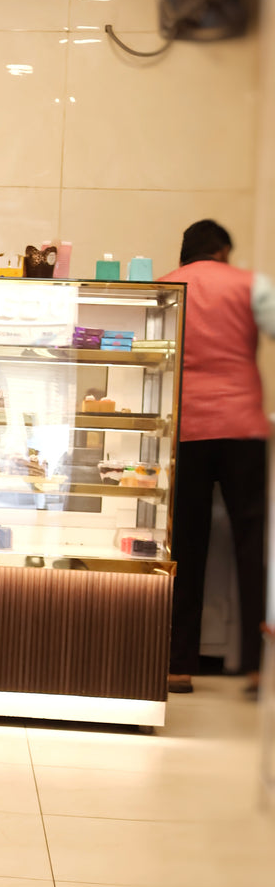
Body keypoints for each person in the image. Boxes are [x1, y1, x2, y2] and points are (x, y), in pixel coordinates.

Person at [160, 219, 275, 695]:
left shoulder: (166, 285)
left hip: (187, 429)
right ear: (224, 250)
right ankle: (255, 665)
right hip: (244, 428)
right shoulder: (252, 285)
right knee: (252, 544)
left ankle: (179, 665)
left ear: (185, 254)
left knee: (186, 546)